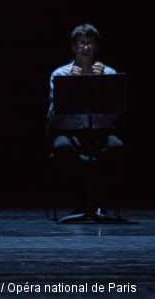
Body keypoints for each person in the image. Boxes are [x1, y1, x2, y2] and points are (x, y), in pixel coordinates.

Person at [47, 24, 124, 218]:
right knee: (61, 147)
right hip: (71, 134)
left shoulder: (109, 73)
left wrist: (100, 86)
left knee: (116, 146)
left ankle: (100, 205)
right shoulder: (60, 75)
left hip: (100, 133)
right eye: (81, 43)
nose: (86, 48)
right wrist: (70, 88)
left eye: (90, 44)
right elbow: (53, 118)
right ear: (74, 47)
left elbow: (114, 116)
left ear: (96, 48)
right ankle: (80, 204)